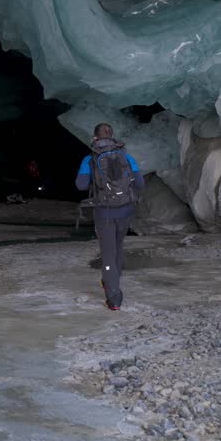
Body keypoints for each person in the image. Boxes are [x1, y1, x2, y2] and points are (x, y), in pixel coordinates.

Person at [75, 123, 144, 310]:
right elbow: (139, 183)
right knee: (118, 246)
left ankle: (113, 298)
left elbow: (81, 185)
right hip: (126, 210)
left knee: (108, 253)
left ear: (94, 138)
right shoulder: (126, 156)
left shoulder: (90, 159)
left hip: (104, 212)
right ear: (112, 136)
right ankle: (111, 280)